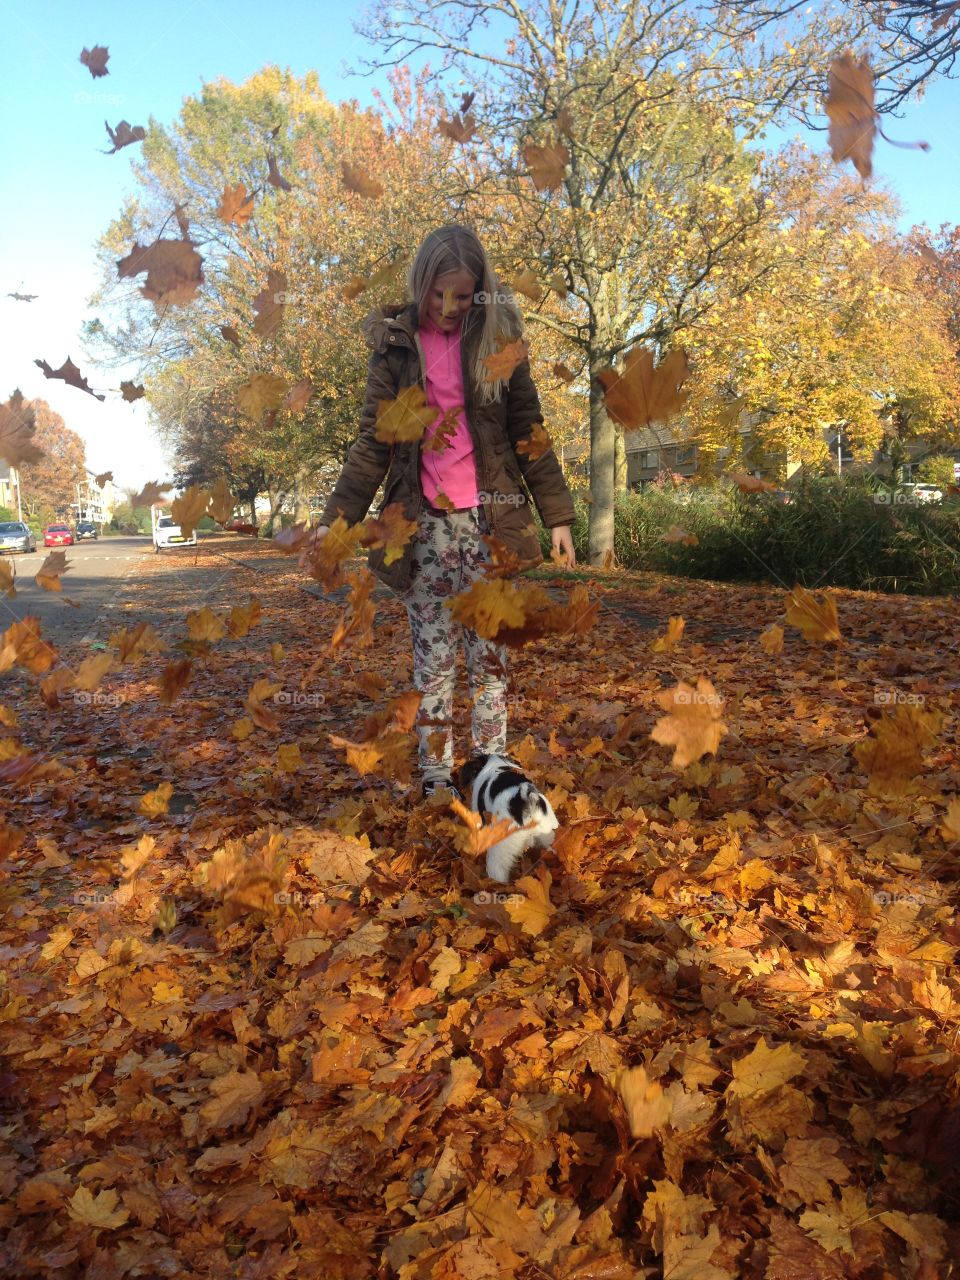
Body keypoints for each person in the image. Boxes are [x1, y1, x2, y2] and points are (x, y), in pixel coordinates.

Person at [306, 224, 576, 799]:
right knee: (433, 664)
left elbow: (529, 431)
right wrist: (338, 517)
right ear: (421, 284)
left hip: (491, 527)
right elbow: (372, 444)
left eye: (464, 294)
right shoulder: (396, 346)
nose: (451, 307)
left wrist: (557, 515)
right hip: (423, 530)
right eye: (440, 294)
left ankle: (492, 771)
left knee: (491, 663)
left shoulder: (500, 343)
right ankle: (434, 776)